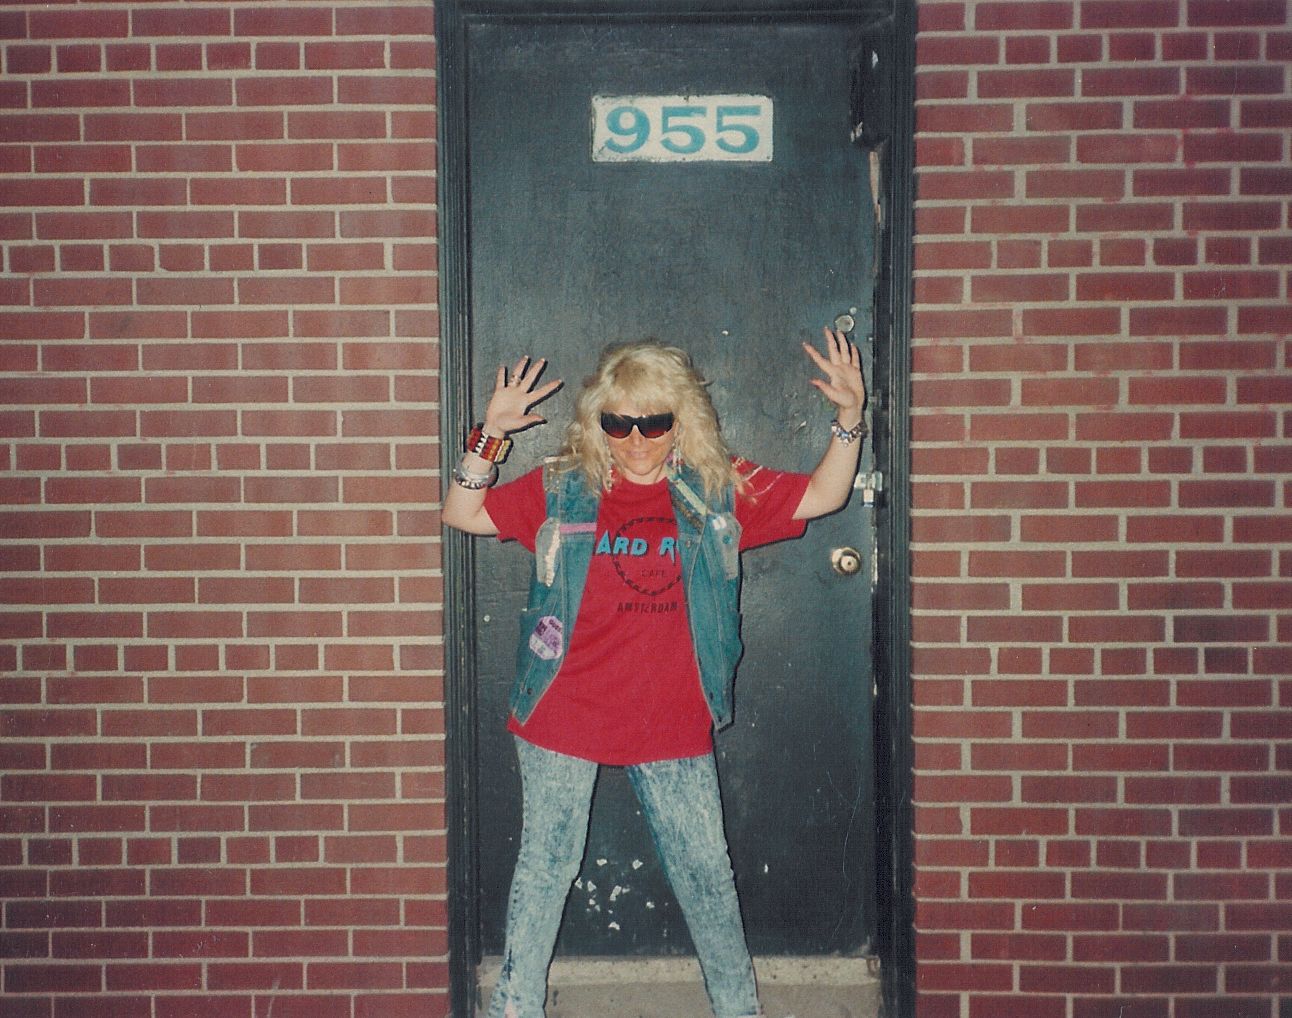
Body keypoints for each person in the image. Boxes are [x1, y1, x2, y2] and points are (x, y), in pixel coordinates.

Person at [441, 328, 867, 1018]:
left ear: (681, 421)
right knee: (546, 871)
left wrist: (849, 417)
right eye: (619, 422)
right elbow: (460, 512)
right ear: (598, 422)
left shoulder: (716, 488)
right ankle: (512, 1010)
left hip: (671, 716)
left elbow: (822, 498)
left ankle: (738, 1009)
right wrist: (488, 434)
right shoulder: (563, 487)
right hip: (561, 710)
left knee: (706, 876)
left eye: (654, 422)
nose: (636, 439)